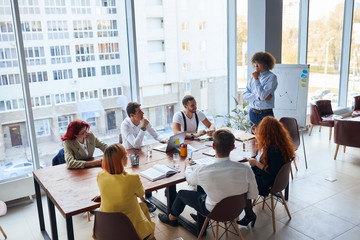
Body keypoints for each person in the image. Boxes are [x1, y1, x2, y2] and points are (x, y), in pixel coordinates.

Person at [158, 129, 258, 228]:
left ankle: (171, 219)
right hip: (236, 209)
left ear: (213, 146)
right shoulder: (246, 169)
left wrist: (188, 166)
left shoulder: (204, 170)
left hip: (213, 211)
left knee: (181, 194)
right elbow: (253, 194)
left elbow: (189, 179)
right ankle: (201, 222)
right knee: (202, 187)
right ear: (233, 147)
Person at [237, 116, 295, 226]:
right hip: (276, 180)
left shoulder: (273, 150)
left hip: (267, 183)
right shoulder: (278, 143)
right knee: (244, 173)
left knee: (241, 183)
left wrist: (255, 163)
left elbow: (270, 171)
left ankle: (249, 214)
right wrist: (256, 134)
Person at [92, 143, 155, 240]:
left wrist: (103, 195)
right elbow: (141, 193)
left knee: (142, 207)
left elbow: (112, 186)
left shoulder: (100, 175)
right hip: (130, 229)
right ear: (122, 160)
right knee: (143, 206)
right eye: (125, 155)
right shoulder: (133, 178)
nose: (127, 157)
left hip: (106, 227)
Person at [243, 51, 278, 126]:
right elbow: (245, 95)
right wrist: (258, 97)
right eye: (255, 63)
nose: (256, 66)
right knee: (253, 136)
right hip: (252, 112)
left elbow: (262, 95)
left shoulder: (271, 77)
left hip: (265, 114)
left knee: (267, 137)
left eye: (258, 64)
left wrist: (256, 79)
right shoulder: (252, 76)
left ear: (266, 64)